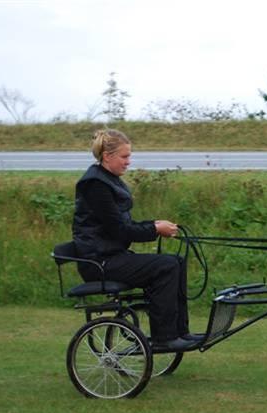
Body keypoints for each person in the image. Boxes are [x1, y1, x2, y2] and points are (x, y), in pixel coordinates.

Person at [72, 128, 201, 351]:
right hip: (100, 263)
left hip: (113, 256)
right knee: (167, 265)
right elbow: (120, 231)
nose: (128, 162)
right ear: (107, 156)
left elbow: (122, 226)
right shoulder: (95, 185)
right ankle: (164, 337)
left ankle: (181, 331)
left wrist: (154, 224)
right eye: (124, 156)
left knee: (176, 262)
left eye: (129, 156)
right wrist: (154, 229)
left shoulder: (108, 180)